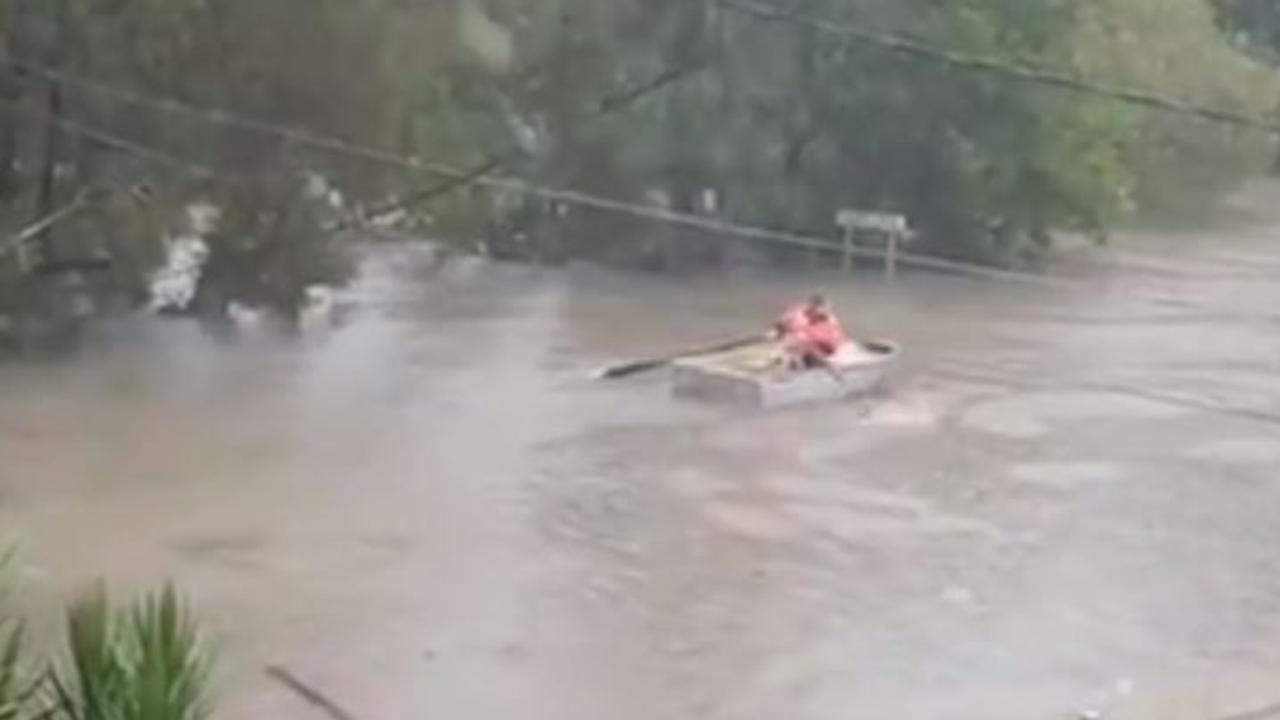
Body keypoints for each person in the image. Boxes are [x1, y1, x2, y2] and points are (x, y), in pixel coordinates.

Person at [770, 293, 850, 369]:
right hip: (797, 349)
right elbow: (780, 325)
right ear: (812, 307)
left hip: (821, 351)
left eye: (827, 309)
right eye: (822, 309)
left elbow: (838, 339)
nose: (826, 313)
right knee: (793, 343)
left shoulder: (830, 320)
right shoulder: (797, 314)